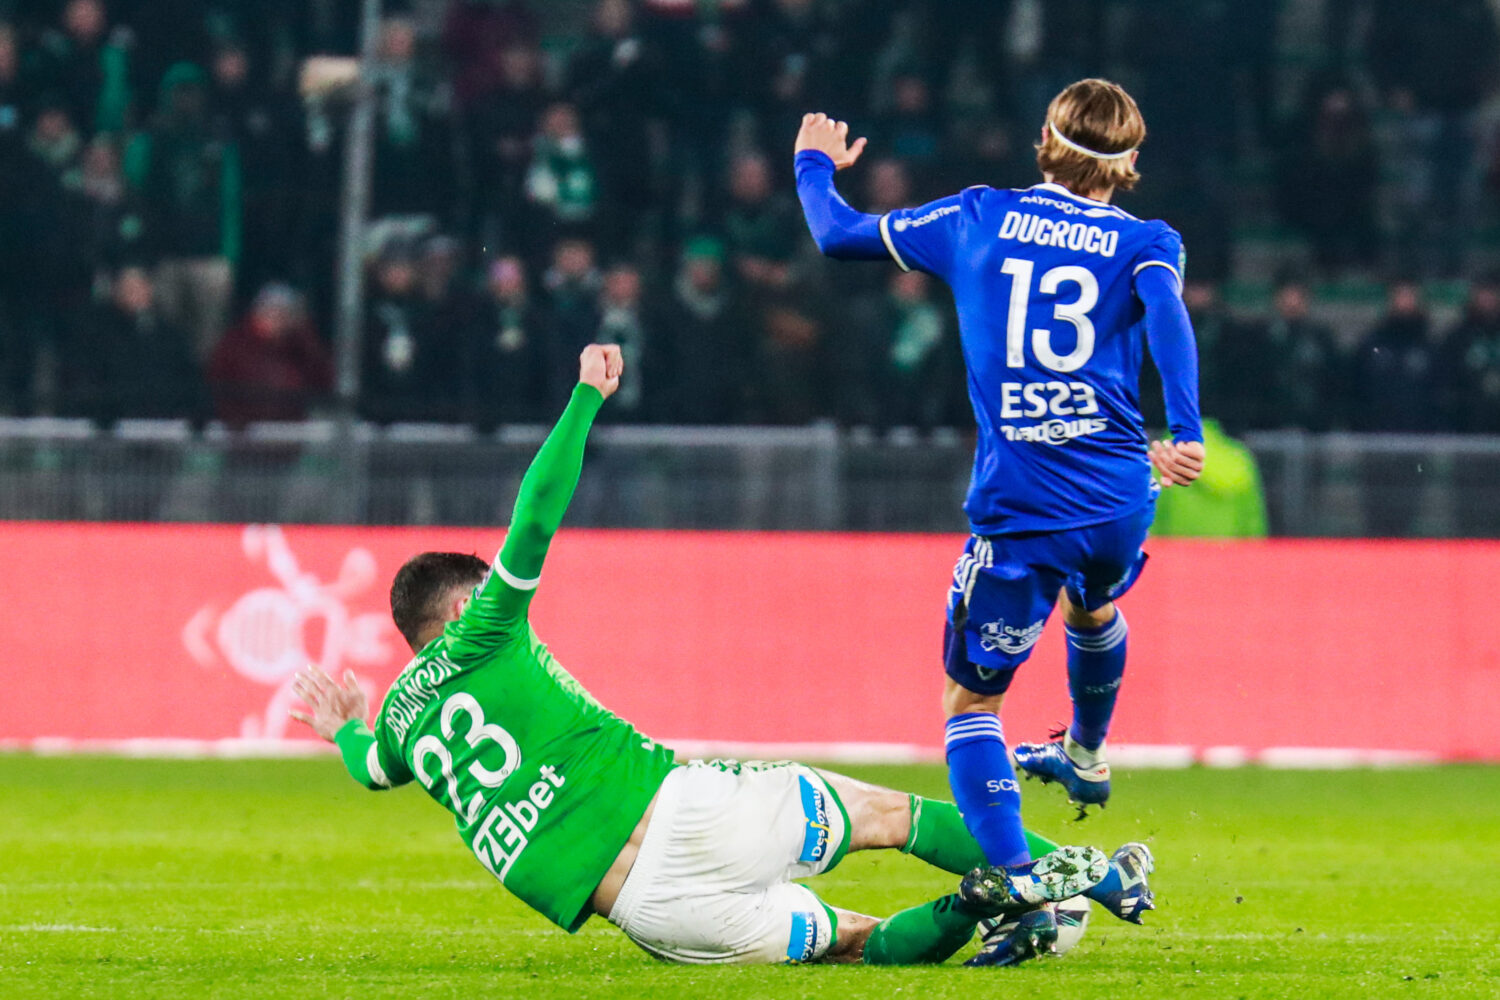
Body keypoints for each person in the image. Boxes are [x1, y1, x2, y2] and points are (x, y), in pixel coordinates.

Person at [292, 346, 1154, 968]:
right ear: (457, 607)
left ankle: (973, 905)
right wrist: (585, 398)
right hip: (685, 813)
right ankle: (1093, 883)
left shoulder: (400, 725)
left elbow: (370, 769)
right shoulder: (482, 630)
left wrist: (342, 728)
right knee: (893, 818)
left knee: (856, 946)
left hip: (649, 912)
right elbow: (535, 515)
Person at [792, 79, 1199, 957]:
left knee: (972, 703)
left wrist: (813, 166)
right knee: (1092, 604)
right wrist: (1186, 428)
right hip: (1121, 496)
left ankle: (1024, 894)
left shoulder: (977, 216)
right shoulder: (1148, 241)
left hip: (1023, 508)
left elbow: (836, 234)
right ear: (1129, 160)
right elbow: (1167, 314)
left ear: (1042, 139)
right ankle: (1085, 752)